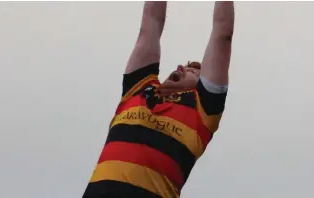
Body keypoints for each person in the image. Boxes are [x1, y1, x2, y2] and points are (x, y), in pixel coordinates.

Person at [83, 1, 234, 198]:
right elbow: (151, 23)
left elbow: (222, 34)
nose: (181, 67)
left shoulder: (202, 110)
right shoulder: (138, 87)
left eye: (193, 71)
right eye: (184, 66)